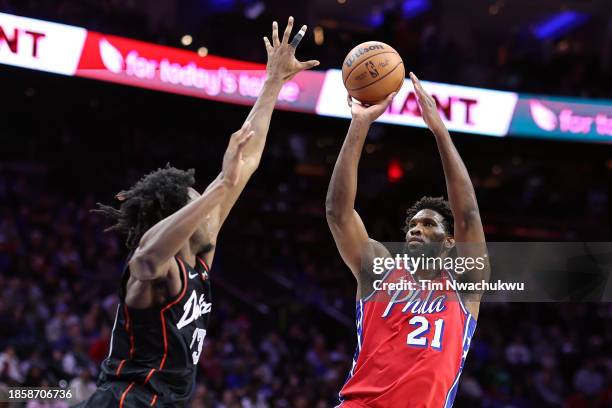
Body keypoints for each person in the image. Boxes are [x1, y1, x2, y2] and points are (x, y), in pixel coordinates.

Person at [76, 17, 318, 407]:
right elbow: (144, 260)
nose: (209, 212)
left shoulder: (200, 256)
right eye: (197, 202)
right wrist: (220, 186)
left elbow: (247, 160)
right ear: (176, 219)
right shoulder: (157, 270)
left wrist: (274, 82)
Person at [326, 72, 489, 407]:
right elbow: (338, 213)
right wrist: (359, 124)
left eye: (428, 224)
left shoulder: (465, 283)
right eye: (412, 224)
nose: (415, 229)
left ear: (448, 242)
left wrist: (440, 132)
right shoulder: (380, 268)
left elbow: (469, 216)